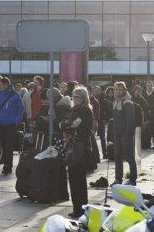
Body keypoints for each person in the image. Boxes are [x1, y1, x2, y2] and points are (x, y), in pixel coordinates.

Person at [59, 87, 93, 218]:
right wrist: (71, 125)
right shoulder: (72, 110)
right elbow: (62, 124)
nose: (75, 99)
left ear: (84, 98)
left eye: (78, 97)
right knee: (72, 178)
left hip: (81, 147)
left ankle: (82, 208)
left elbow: (84, 128)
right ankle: (76, 207)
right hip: (70, 146)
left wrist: (71, 125)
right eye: (74, 96)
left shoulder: (86, 111)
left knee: (79, 179)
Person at [112, 81, 137, 186]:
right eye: (116, 89)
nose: (118, 91)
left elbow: (130, 121)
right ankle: (118, 178)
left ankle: (132, 179)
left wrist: (127, 135)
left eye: (121, 89)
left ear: (124, 90)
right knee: (117, 157)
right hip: (117, 134)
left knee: (129, 157)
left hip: (126, 135)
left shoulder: (127, 103)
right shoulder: (115, 102)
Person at [94, 86, 110, 159]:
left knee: (102, 138)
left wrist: (104, 119)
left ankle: (104, 153)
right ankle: (95, 155)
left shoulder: (104, 101)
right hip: (93, 121)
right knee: (92, 138)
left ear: (100, 91)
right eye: (95, 91)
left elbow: (109, 111)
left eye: (97, 91)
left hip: (101, 121)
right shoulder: (92, 100)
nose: (96, 92)